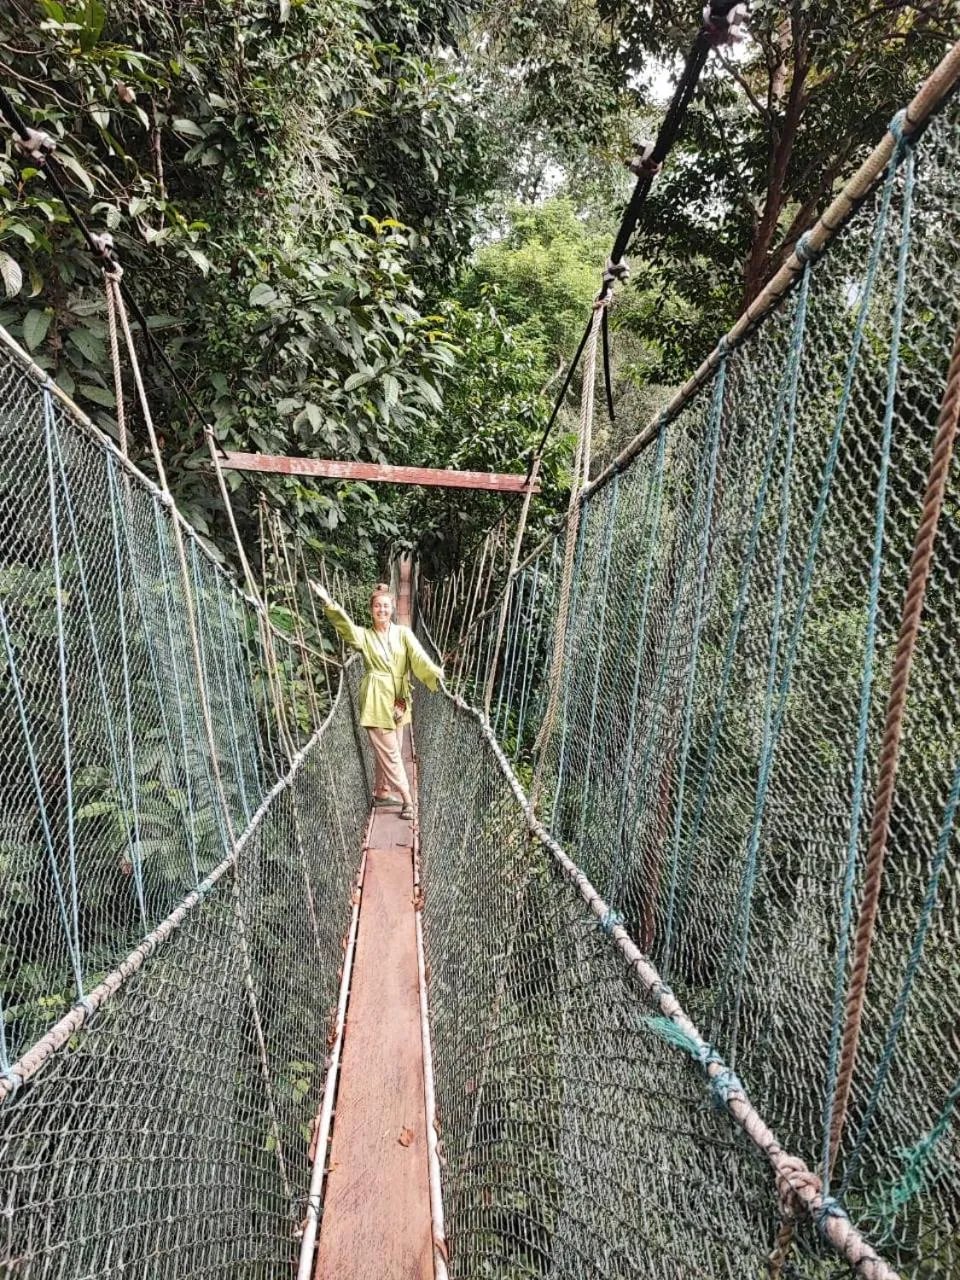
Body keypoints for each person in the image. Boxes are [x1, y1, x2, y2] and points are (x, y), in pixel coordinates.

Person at [311, 580, 441, 821]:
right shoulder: (365, 637)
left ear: (393, 608)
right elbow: (346, 627)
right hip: (376, 699)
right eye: (377, 607)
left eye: (386, 606)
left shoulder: (402, 633)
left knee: (394, 749)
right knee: (390, 751)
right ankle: (407, 800)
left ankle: (382, 792)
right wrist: (329, 603)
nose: (382, 610)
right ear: (371, 610)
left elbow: (419, 656)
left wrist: (434, 672)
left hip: (399, 699)